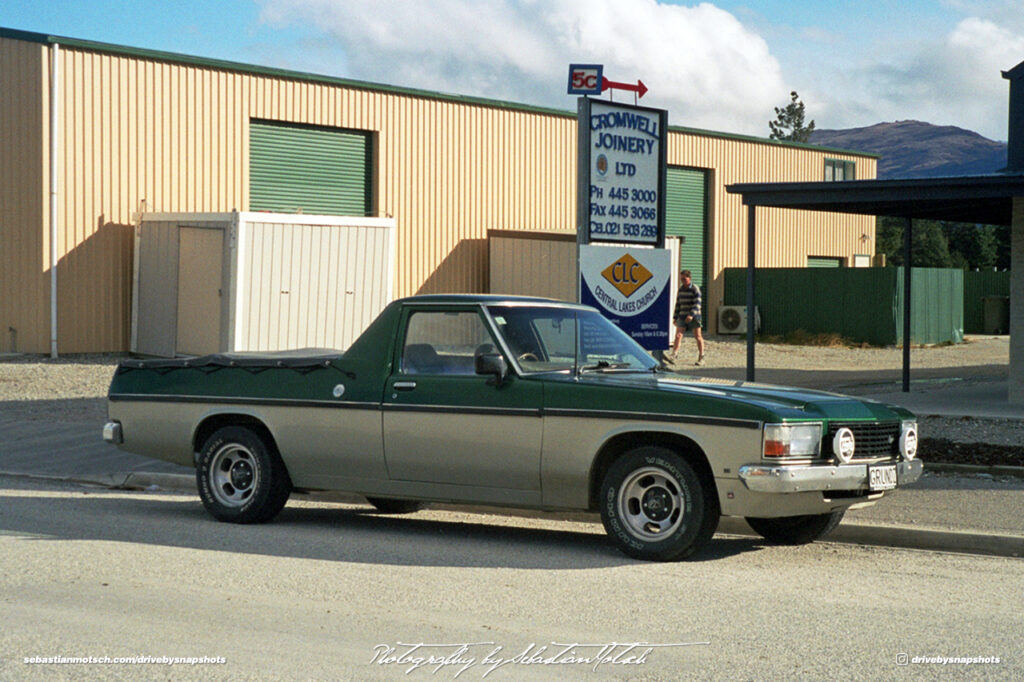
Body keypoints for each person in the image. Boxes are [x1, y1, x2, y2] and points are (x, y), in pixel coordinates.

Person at [668, 270, 705, 366]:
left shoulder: (695, 288)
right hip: (682, 315)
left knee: (698, 336)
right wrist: (675, 317)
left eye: (684, 279)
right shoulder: (681, 289)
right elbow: (678, 304)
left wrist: (691, 315)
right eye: (681, 279)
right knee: (678, 335)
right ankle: (674, 354)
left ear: (689, 278)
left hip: (695, 316)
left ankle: (701, 356)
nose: (683, 281)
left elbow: (698, 303)